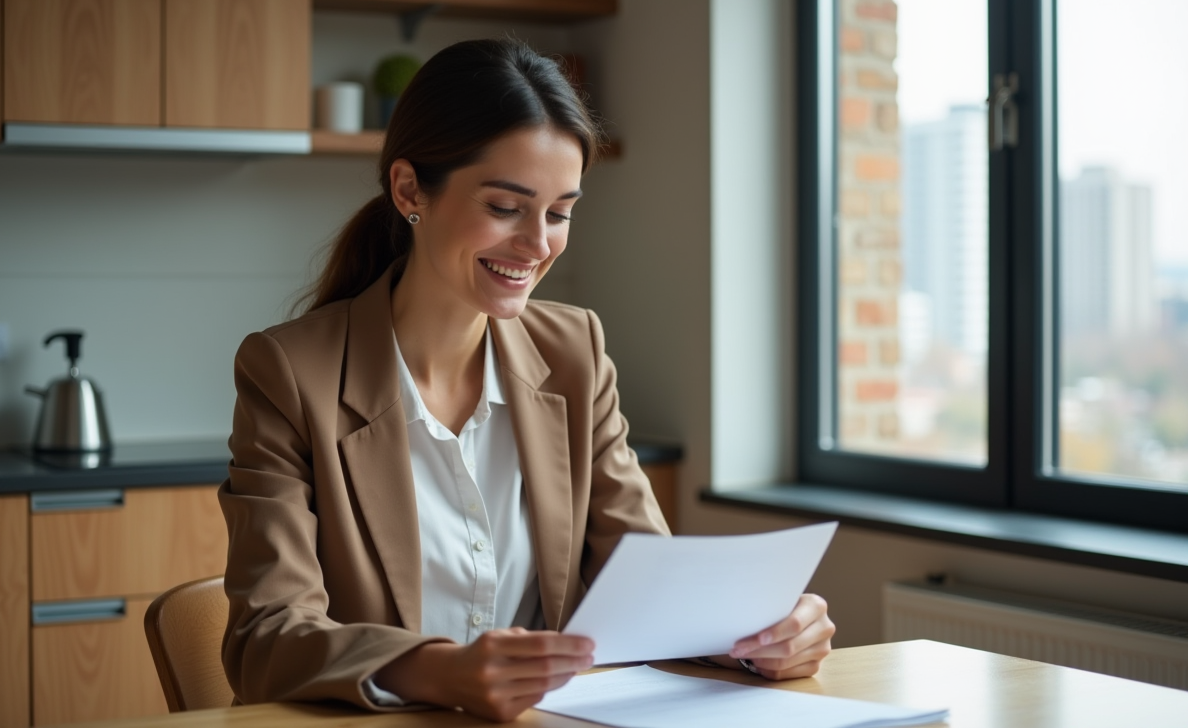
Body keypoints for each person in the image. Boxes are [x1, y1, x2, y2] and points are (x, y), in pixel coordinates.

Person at [218, 38, 835, 723]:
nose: (538, 244)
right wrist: (442, 671)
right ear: (408, 189)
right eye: (506, 207)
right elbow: (264, 639)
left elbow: (650, 586)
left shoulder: (574, 352)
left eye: (560, 212)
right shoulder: (289, 373)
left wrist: (762, 633)